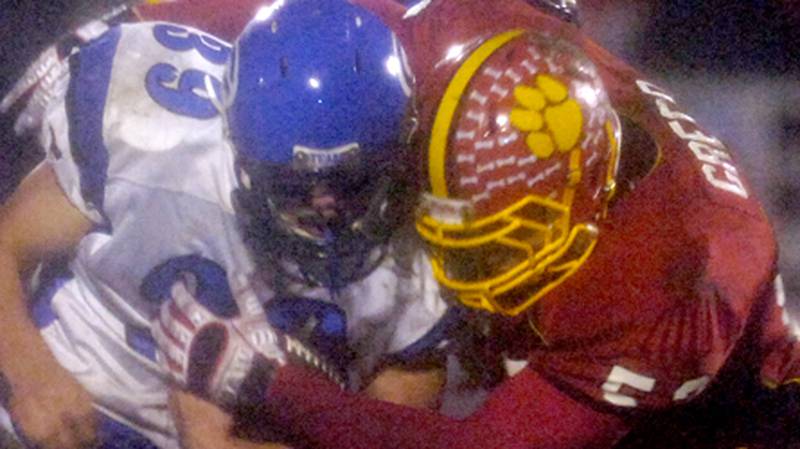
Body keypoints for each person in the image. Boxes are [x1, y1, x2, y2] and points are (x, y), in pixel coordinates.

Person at [153, 0, 800, 448]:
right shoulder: (463, 38)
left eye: (504, 244)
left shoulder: (677, 276)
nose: (472, 277)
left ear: (586, 206)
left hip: (726, 421)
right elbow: (310, 17)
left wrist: (271, 385)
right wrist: (141, 22)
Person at [0, 1, 454, 449]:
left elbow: (396, 434)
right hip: (81, 391)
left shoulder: (419, 262)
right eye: (296, 186)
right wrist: (31, 372)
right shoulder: (159, 148)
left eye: (353, 180)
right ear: (239, 147)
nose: (325, 206)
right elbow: (6, 243)